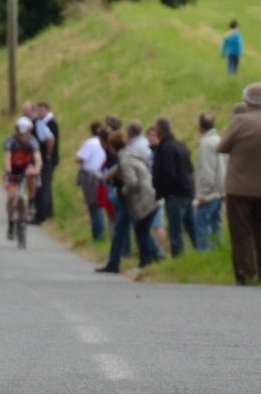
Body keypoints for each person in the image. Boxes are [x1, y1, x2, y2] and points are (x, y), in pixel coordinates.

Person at [217, 82, 261, 285]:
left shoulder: (241, 121)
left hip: (240, 188)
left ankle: (246, 274)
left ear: (247, 100)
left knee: (242, 234)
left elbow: (221, 146)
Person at [96, 130, 160, 273]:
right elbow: (119, 168)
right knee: (138, 230)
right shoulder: (129, 153)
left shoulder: (124, 159)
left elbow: (132, 182)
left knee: (137, 230)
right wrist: (107, 175)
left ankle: (145, 260)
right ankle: (155, 256)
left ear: (112, 146)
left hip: (140, 200)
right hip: (150, 196)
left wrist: (122, 192)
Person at [152, 116, 197, 255]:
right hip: (188, 191)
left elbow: (168, 174)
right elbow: (190, 168)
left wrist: (162, 192)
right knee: (191, 225)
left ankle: (179, 257)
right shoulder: (180, 145)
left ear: (160, 131)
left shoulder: (165, 149)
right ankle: (201, 251)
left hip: (175, 194)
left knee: (175, 230)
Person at [2, 116, 41, 240]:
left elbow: (37, 158)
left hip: (26, 169)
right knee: (11, 196)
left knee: (32, 176)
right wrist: (8, 169)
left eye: (25, 134)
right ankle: (10, 223)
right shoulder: (10, 141)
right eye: (20, 133)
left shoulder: (33, 141)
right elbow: (7, 157)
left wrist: (37, 169)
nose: (23, 137)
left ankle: (32, 201)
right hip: (13, 170)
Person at [193, 111, 225, 246]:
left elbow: (207, 170)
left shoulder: (206, 143)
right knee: (215, 223)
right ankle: (217, 250)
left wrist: (204, 194)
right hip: (220, 190)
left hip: (209, 193)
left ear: (201, 126)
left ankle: (205, 253)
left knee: (201, 223)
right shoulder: (218, 139)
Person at [75, 121, 107, 241]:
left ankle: (98, 235)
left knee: (94, 206)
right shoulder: (104, 144)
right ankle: (99, 234)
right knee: (98, 205)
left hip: (90, 176)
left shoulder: (90, 143)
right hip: (101, 174)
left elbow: (79, 158)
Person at [34, 100, 58, 222]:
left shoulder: (50, 123)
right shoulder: (45, 122)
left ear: (45, 109)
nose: (38, 112)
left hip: (48, 159)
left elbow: (50, 139)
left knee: (44, 186)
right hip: (48, 158)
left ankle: (45, 212)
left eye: (40, 110)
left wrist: (48, 154)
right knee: (46, 186)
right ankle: (48, 211)